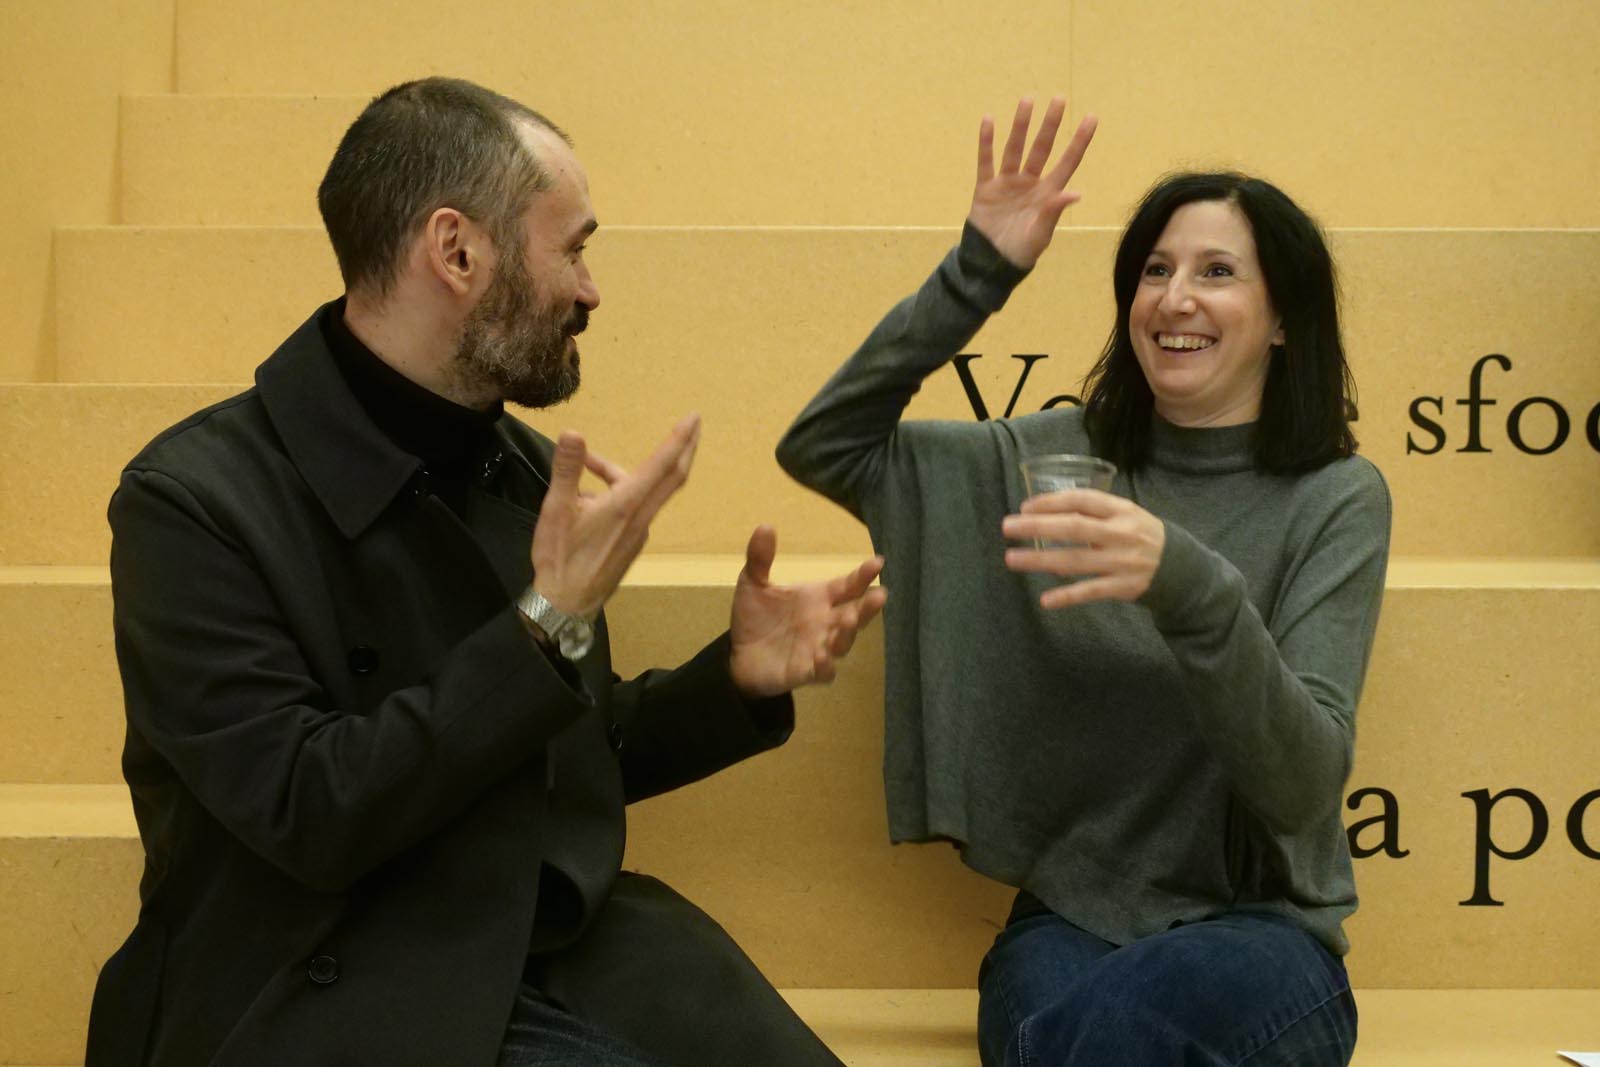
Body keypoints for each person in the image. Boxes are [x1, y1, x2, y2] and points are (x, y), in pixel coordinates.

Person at [85, 76, 886, 1067]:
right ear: (457, 251)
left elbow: (550, 751)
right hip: (320, 975)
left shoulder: (522, 469)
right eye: (574, 249)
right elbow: (309, 811)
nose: (590, 291)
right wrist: (543, 620)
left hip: (542, 942)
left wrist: (733, 680)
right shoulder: (193, 502)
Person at [776, 97, 1390, 1066]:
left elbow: (1304, 781)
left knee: (1087, 1038)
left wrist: (1187, 583)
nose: (1173, 298)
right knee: (1073, 1032)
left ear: (1283, 319)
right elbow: (825, 444)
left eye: (1216, 272)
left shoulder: (1336, 497)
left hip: (1261, 931)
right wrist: (979, 269)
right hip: (1070, 920)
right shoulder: (1053, 461)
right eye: (1154, 270)